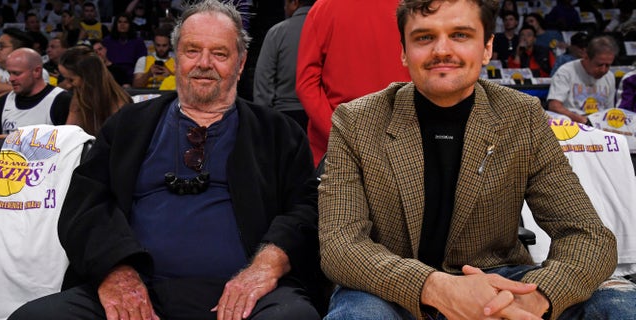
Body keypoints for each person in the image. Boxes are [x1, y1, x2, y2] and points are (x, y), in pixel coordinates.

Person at [318, 0, 635, 319]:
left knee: (618, 304)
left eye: (460, 35)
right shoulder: (356, 121)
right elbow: (340, 245)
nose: (441, 50)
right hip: (392, 287)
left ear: (486, 48)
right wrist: (434, 287)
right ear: (403, 51)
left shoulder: (521, 116)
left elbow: (588, 234)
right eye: (424, 37)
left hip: (500, 281)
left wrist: (536, 297)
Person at [9, 1, 323, 319]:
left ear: (240, 64)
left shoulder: (278, 132)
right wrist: (116, 271)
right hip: (136, 289)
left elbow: (306, 209)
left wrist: (266, 266)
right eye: (192, 51)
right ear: (176, 58)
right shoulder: (128, 125)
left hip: (246, 295)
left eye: (220, 53)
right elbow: (86, 206)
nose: (204, 63)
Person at [296, 0, 411, 164]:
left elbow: (306, 84)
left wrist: (339, 133)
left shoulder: (324, 8)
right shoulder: (412, 6)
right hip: (400, 138)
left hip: (336, 146)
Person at [253, 0, 314, 132]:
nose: (284, 8)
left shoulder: (277, 32)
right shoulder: (328, 30)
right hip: (320, 116)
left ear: (294, 3)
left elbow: (264, 79)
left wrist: (263, 119)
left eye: (285, 3)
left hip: (285, 116)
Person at [0, 48, 70, 138]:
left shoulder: (62, 101)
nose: (11, 79)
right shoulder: (2, 103)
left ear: (37, 71)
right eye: (9, 73)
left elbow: (66, 144)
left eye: (16, 73)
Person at [58, 46, 130, 136]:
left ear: (89, 78)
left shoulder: (121, 106)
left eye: (71, 80)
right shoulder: (79, 97)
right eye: (65, 79)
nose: (67, 85)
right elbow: (69, 135)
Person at [547, 35, 618, 124]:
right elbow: (554, 106)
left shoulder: (609, 76)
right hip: (573, 124)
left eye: (608, 65)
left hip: (599, 126)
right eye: (599, 65)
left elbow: (609, 110)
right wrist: (583, 120)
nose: (603, 70)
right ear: (586, 57)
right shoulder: (566, 72)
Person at [102, 12, 147, 85]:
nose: (122, 25)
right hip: (111, 75)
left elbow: (142, 61)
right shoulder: (107, 41)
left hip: (132, 75)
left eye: (125, 22)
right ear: (116, 24)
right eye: (119, 22)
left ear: (130, 25)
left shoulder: (138, 42)